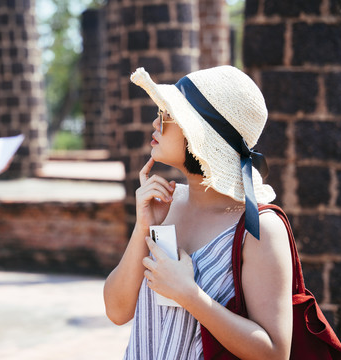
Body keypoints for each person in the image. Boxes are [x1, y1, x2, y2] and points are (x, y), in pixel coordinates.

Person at [103, 66, 294, 359]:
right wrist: (144, 226)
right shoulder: (166, 204)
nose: (155, 123)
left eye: (167, 115)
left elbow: (275, 353)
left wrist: (190, 295)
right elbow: (117, 311)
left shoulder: (259, 228)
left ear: (199, 134)